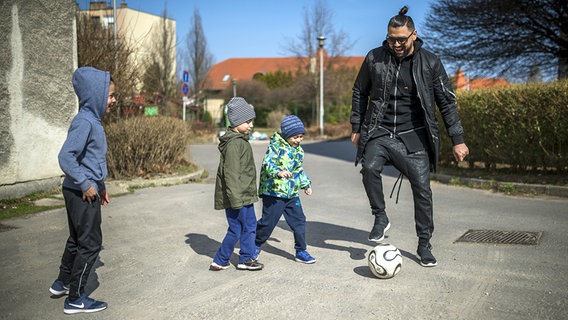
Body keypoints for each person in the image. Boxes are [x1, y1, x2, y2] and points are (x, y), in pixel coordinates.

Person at [350, 6, 469, 267]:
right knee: (369, 168)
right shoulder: (375, 58)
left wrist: (458, 139)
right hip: (380, 129)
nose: (396, 44)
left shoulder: (430, 62)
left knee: (422, 189)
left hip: (414, 132)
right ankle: (380, 216)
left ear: (414, 35)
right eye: (391, 39)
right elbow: (360, 91)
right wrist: (357, 127)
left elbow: (446, 103)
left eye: (401, 39)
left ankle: (424, 243)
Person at [50, 66, 116, 314]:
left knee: (77, 240)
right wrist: (87, 185)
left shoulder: (91, 120)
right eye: (110, 96)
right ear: (95, 96)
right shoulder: (85, 122)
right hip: (80, 192)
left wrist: (100, 186)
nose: (113, 100)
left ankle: (62, 283)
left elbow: (91, 160)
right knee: (90, 245)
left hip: (82, 189)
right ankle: (75, 298)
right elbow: (66, 157)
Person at [211, 97, 264, 271]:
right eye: (247, 121)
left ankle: (220, 260)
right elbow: (231, 174)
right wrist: (236, 200)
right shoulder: (235, 144)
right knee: (246, 227)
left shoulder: (239, 141)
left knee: (238, 228)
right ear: (236, 121)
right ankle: (245, 259)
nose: (251, 125)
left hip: (242, 195)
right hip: (239, 197)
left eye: (252, 121)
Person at [254, 115, 316, 264]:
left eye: (301, 137)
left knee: (300, 221)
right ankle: (254, 243)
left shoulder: (298, 151)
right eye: (295, 137)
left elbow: (298, 170)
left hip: (291, 193)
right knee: (268, 223)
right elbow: (267, 164)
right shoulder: (276, 147)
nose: (298, 140)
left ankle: (301, 250)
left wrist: (305, 184)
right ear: (287, 135)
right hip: (274, 192)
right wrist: (278, 172)